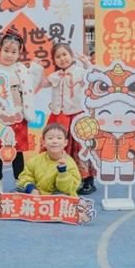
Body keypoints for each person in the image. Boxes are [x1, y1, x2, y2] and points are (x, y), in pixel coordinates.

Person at [32, 42, 98, 195]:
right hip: (58, 117)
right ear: (54, 60)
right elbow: (42, 83)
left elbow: (94, 78)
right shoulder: (55, 75)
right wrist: (37, 68)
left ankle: (87, 180)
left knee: (80, 148)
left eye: (64, 54)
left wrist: (87, 63)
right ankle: (58, 178)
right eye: (58, 56)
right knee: (57, 147)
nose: (62, 58)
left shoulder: (81, 72)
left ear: (71, 55)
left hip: (77, 116)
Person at [0, 29, 40, 193]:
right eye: (6, 50)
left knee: (18, 152)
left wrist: (35, 69)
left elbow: (30, 89)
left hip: (18, 117)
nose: (9, 55)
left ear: (19, 53)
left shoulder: (21, 70)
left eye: (14, 52)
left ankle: (19, 182)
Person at [17, 123, 81, 197]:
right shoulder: (35, 160)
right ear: (43, 142)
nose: (55, 141)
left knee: (63, 195)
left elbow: (67, 189)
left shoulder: (70, 164)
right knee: (16, 190)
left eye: (59, 138)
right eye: (50, 138)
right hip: (37, 193)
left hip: (56, 197)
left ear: (65, 143)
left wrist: (62, 171)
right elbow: (25, 176)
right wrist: (31, 189)